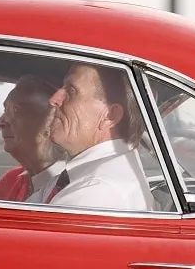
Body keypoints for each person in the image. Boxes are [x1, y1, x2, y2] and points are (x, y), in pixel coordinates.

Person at [40, 63, 153, 211]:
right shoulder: (86, 176)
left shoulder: (94, 192)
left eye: (71, 92)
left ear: (109, 116)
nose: (54, 99)